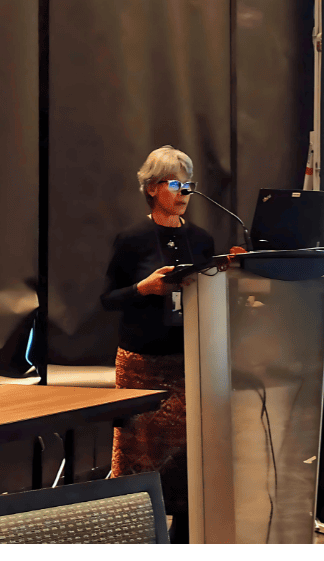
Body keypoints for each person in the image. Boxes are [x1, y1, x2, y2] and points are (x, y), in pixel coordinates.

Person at [100, 145, 213, 543]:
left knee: (188, 460)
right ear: (151, 188)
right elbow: (107, 300)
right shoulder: (131, 240)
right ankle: (134, 538)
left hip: (189, 361)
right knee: (138, 457)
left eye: (189, 185)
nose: (184, 192)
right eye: (175, 183)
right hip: (142, 365)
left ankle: (184, 541)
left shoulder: (201, 239)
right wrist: (143, 289)